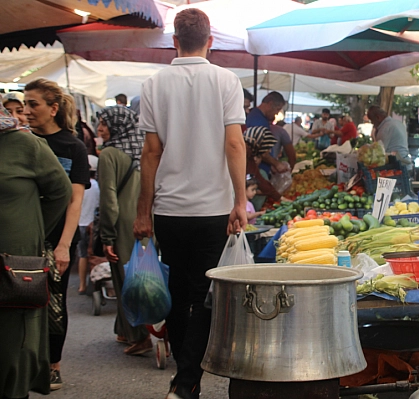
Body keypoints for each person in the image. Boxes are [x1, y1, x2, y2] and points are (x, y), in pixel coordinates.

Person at [132, 8, 248, 399]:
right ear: (210, 41)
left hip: (168, 211)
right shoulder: (226, 80)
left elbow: (151, 152)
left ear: (174, 41)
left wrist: (142, 211)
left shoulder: (154, 84)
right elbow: (234, 143)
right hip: (213, 209)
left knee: (179, 294)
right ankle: (185, 383)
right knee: (204, 298)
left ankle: (185, 383)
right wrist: (241, 200)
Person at [0, 103, 72, 399]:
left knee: (12, 337)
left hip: (13, 258)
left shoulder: (24, 143)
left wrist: (30, 227)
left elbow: (61, 191)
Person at [23, 78, 90, 391]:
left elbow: (75, 199)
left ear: (52, 109)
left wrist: (64, 246)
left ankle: (53, 366)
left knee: (54, 303)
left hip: (58, 238)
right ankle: (23, 363)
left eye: (33, 104)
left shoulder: (72, 147)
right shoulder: (21, 141)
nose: (26, 110)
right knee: (18, 299)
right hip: (23, 236)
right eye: (25, 104)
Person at [95, 105, 152, 356]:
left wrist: (106, 235)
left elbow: (108, 199)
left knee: (126, 280)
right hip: (149, 219)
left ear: (118, 126)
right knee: (145, 276)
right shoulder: (144, 149)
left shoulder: (109, 154)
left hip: (124, 224)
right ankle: (125, 329)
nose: (100, 128)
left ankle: (141, 336)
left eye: (105, 124)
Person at [245, 91, 289, 174]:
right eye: (277, 109)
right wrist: (277, 164)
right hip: (257, 170)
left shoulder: (259, 117)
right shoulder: (257, 120)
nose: (277, 113)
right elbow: (262, 151)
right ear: (270, 104)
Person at [77, 155, 100, 295]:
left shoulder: (78, 185)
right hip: (93, 225)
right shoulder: (97, 186)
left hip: (79, 223)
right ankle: (95, 282)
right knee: (93, 254)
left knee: (83, 255)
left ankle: (81, 285)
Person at [244, 126, 281, 202]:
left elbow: (260, 180)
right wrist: (280, 198)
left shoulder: (249, 155)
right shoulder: (242, 153)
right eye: (267, 147)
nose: (269, 151)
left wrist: (279, 198)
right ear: (259, 143)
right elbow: (260, 181)